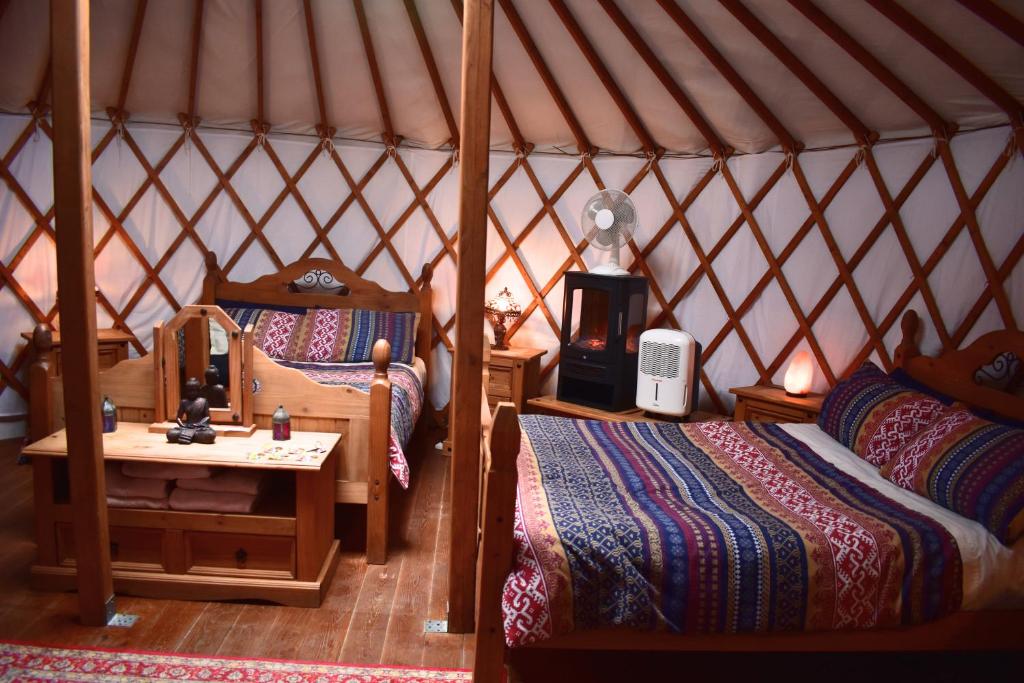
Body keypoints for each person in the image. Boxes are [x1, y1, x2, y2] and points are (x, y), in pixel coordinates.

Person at [166, 377, 217, 444]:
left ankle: (186, 436)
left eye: (194, 390)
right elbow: (178, 418)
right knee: (170, 433)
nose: (192, 393)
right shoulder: (184, 402)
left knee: (210, 434)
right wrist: (183, 425)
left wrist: (198, 424)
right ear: (186, 391)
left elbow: (207, 417)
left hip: (199, 428)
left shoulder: (203, 401)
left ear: (198, 390)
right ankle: (192, 436)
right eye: (189, 391)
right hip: (187, 427)